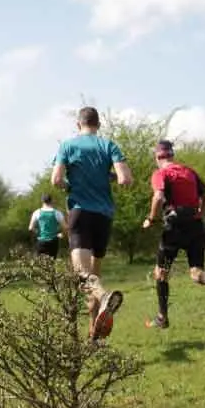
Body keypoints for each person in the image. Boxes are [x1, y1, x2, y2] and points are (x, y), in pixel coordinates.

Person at [51, 106, 133, 341]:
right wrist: (105, 177)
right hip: (104, 216)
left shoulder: (68, 145)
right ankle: (93, 336)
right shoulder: (109, 145)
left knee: (82, 275)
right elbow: (125, 179)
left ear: (79, 124)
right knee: (93, 276)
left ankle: (105, 297)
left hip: (80, 213)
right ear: (98, 125)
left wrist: (69, 185)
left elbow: (56, 179)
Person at [142, 140, 205, 329]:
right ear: (172, 155)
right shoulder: (189, 172)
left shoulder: (160, 173)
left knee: (161, 273)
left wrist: (151, 219)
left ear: (157, 157)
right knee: (196, 272)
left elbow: (159, 196)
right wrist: (199, 215)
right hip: (195, 224)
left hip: (174, 224)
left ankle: (162, 318)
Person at [28, 193, 68, 259]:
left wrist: (38, 232)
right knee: (52, 264)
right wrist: (62, 234)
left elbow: (30, 228)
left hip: (41, 241)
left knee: (40, 265)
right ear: (51, 201)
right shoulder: (57, 213)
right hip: (53, 241)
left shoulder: (37, 212)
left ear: (42, 201)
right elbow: (66, 227)